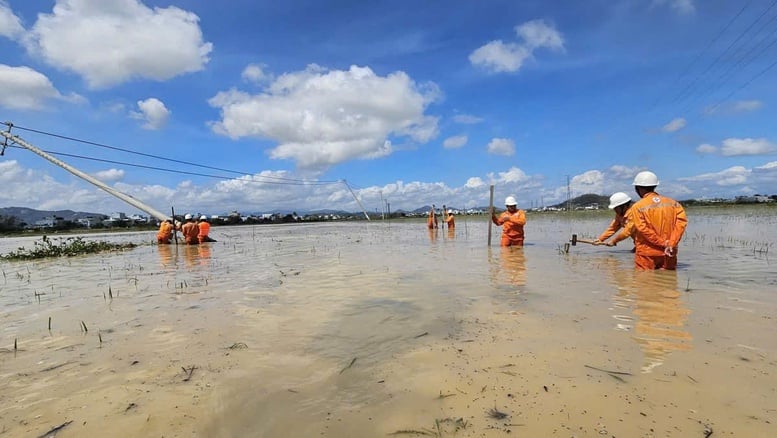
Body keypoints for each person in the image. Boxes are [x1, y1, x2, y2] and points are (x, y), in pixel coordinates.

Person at [628, 171, 688, 270]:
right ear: (655, 186)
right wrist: (671, 244)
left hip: (647, 254)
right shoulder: (674, 204)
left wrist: (663, 243)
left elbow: (643, 229)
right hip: (669, 252)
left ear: (637, 188)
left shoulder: (637, 206)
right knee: (669, 278)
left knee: (644, 278)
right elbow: (680, 225)